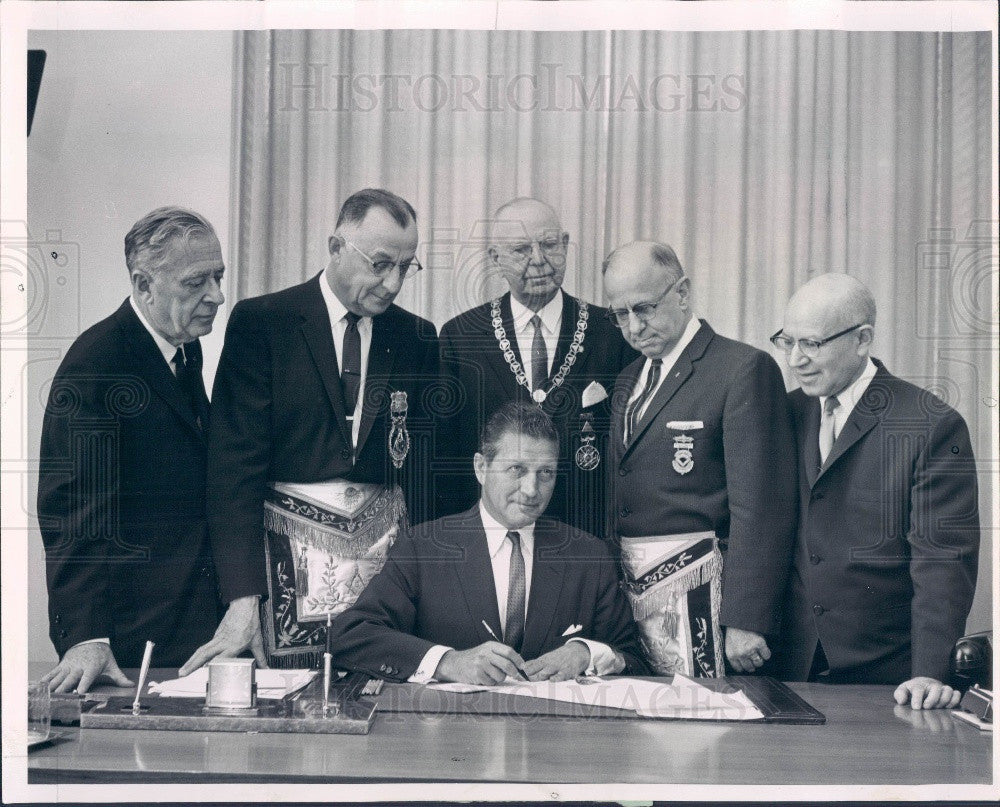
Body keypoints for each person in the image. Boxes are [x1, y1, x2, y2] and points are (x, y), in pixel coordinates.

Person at [181, 189, 440, 674]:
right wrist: (241, 600)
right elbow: (232, 473)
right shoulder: (263, 324)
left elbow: (425, 481)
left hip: (385, 584)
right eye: (381, 263)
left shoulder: (417, 338)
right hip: (281, 583)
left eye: (406, 267)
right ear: (335, 246)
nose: (393, 283)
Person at [37, 207, 226, 692]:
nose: (217, 296)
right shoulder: (97, 364)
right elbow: (70, 511)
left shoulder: (183, 347)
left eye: (218, 277)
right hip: (126, 646)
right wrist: (86, 636)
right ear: (144, 285)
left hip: (186, 628)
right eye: (196, 283)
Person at [770, 273, 979, 710]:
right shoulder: (785, 413)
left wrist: (929, 672)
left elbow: (943, 561)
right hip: (786, 667)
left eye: (811, 344)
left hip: (889, 678)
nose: (795, 360)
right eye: (787, 342)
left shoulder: (930, 424)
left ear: (862, 339)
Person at [328, 402, 648, 684]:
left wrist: (585, 652)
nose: (532, 489)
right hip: (452, 742)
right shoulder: (423, 547)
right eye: (516, 470)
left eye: (546, 473)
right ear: (481, 467)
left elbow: (634, 659)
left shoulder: (589, 555)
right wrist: (448, 662)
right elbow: (349, 636)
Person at [602, 241, 797, 679]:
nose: (634, 326)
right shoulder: (628, 378)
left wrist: (747, 619)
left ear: (683, 293)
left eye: (645, 308)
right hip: (632, 600)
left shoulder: (742, 368)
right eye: (620, 314)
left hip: (707, 600)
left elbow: (762, 508)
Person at [439, 197, 637, 537]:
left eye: (548, 244)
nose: (539, 260)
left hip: (585, 535)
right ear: (495, 258)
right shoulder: (461, 336)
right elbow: (450, 456)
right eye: (520, 250)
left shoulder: (611, 332)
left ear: (564, 244)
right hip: (493, 536)